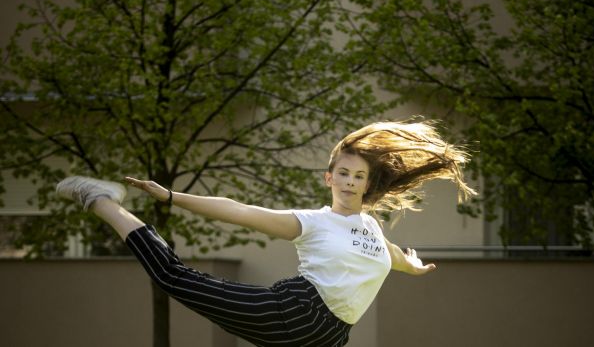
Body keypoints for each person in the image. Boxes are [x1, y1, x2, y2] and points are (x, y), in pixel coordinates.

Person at [56, 120, 475, 347]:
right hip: (294, 313)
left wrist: (414, 267)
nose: (349, 181)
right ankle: (101, 201)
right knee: (175, 277)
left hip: (331, 339)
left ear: (368, 184)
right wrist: (170, 196)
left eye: (358, 176)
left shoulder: (369, 226)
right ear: (329, 177)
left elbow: (392, 257)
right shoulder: (312, 222)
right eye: (343, 173)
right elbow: (239, 211)